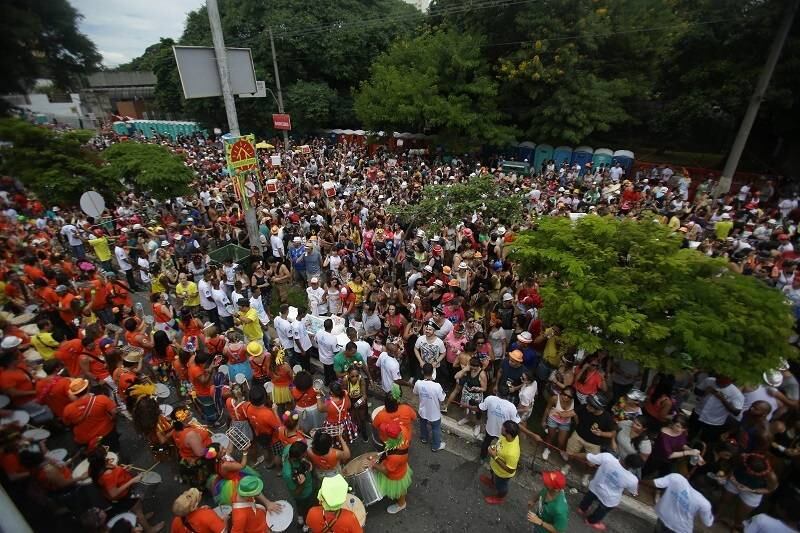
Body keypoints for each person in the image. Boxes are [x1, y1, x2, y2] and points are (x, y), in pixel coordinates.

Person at [573, 452, 640, 530]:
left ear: (626, 457)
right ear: (634, 468)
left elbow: (589, 457)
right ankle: (591, 521)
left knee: (588, 498)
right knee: (602, 510)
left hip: (595, 487)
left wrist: (572, 454)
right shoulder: (633, 480)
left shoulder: (607, 457)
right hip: (609, 498)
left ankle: (581, 509)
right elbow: (633, 492)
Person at [644, 473, 714, 533]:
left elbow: (655, 483)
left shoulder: (677, 478)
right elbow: (707, 523)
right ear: (706, 489)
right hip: (680, 529)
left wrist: (638, 481)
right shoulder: (704, 503)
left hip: (662, 516)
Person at [62, 378, 118, 451]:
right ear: (88, 387)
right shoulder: (102, 399)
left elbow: (67, 423)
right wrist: (113, 419)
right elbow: (114, 412)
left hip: (84, 439)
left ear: (74, 394)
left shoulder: (68, 409)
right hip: (106, 433)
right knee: (114, 450)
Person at [370, 421, 412, 514]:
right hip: (402, 465)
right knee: (402, 487)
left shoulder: (394, 457)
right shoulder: (403, 430)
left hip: (396, 473)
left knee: (400, 488)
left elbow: (386, 471)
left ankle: (402, 504)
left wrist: (374, 465)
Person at [479, 420, 521, 504]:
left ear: (508, 434)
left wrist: (495, 456)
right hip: (495, 467)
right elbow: (500, 443)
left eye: (503, 429)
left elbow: (510, 470)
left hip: (502, 474)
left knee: (501, 486)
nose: (500, 429)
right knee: (493, 475)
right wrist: (494, 448)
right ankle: (492, 482)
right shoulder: (511, 436)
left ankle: (500, 497)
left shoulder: (512, 453)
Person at [282, 441, 316, 531]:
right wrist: (302, 484)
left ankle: (300, 518)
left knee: (300, 507)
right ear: (298, 457)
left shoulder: (289, 448)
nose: (306, 454)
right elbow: (296, 493)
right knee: (307, 510)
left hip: (308, 488)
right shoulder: (288, 473)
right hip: (304, 495)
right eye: (304, 454)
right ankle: (306, 524)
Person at [413, 363, 446, 452]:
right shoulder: (437, 386)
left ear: (422, 372)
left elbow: (415, 392)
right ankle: (436, 446)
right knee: (436, 428)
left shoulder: (418, 383)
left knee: (423, 424)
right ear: (433, 373)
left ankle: (424, 438)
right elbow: (442, 398)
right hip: (434, 412)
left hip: (423, 410)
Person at [478, 394, 521, 461]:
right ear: (508, 394)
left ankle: (482, 457)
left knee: (486, 442)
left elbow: (481, 408)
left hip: (490, 428)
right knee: (501, 447)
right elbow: (516, 422)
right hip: (503, 433)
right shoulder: (511, 407)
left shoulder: (490, 399)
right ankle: (497, 459)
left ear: (497, 392)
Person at [541, 385, 577, 461]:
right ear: (561, 392)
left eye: (569, 396)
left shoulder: (574, 403)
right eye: (564, 394)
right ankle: (547, 449)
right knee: (550, 436)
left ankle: (561, 450)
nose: (566, 397)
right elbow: (548, 408)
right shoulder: (555, 398)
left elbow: (576, 414)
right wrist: (544, 420)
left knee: (561, 442)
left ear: (572, 397)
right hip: (553, 419)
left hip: (565, 422)